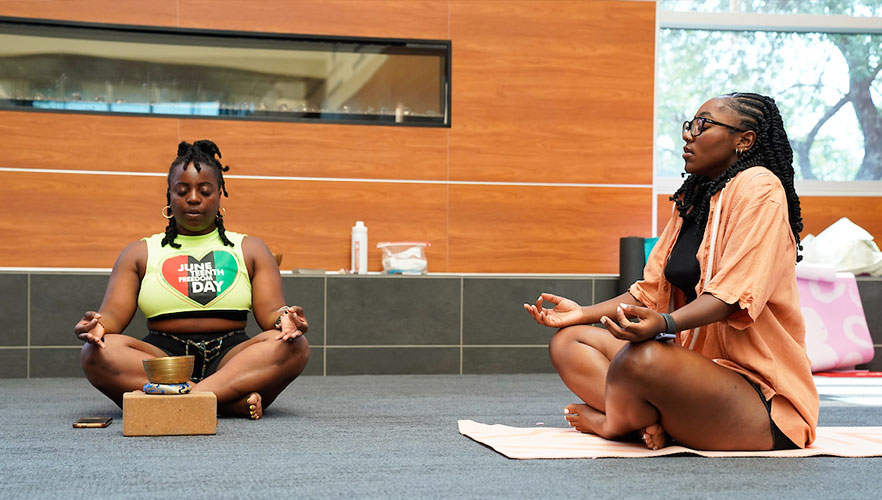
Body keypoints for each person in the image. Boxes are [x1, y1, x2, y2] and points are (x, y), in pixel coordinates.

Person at [524, 93, 819, 451]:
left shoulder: (761, 189)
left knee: (644, 357)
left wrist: (664, 324)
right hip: (693, 379)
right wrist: (582, 313)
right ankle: (643, 423)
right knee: (570, 341)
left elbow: (730, 297)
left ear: (745, 140)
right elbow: (648, 292)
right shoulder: (693, 200)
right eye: (689, 125)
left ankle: (614, 424)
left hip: (760, 404)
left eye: (703, 125)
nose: (688, 135)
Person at [75, 140, 309, 419]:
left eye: (205, 190)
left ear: (220, 195)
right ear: (169, 196)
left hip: (232, 358)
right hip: (163, 357)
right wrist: (97, 325)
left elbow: (271, 311)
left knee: (294, 346)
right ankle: (223, 402)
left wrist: (285, 317)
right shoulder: (140, 252)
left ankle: (177, 401)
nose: (194, 198)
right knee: (96, 353)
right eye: (182, 191)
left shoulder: (250, 249)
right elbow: (113, 314)